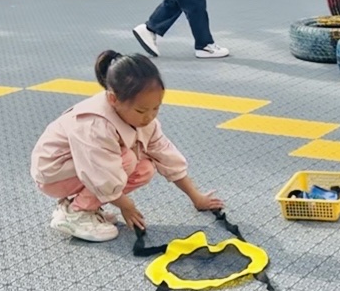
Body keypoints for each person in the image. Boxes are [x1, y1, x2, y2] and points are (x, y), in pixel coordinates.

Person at [30, 51, 225, 243]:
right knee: (128, 160)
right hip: (54, 175)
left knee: (145, 168)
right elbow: (102, 174)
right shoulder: (95, 124)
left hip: (82, 170)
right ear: (113, 99)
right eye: (141, 110)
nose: (149, 116)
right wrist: (127, 206)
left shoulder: (144, 121)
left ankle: (83, 205)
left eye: (156, 108)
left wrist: (196, 197)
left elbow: (166, 157)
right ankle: (75, 213)